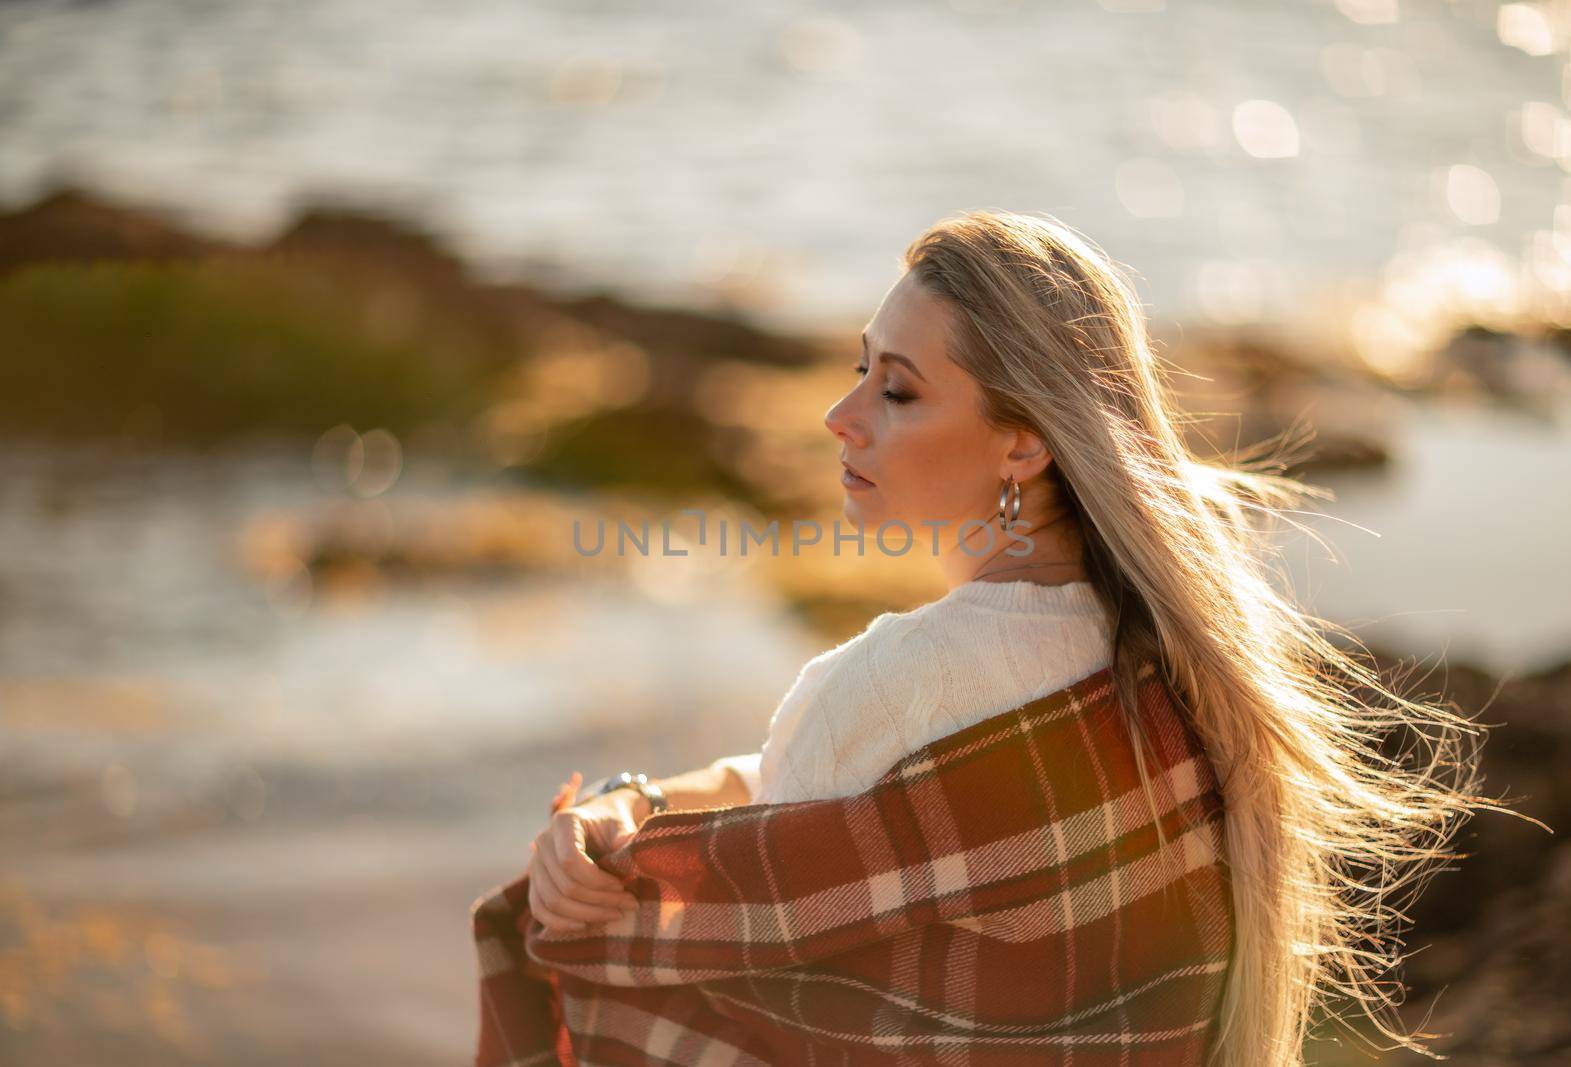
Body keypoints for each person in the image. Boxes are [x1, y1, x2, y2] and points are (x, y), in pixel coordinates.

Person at [512, 209, 1484, 1066]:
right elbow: (784, 778)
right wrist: (633, 801)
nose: (838, 416)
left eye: (895, 390)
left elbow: (763, 831)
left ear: (1024, 440)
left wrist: (602, 828)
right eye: (859, 369)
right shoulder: (1166, 657)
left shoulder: (890, 682)